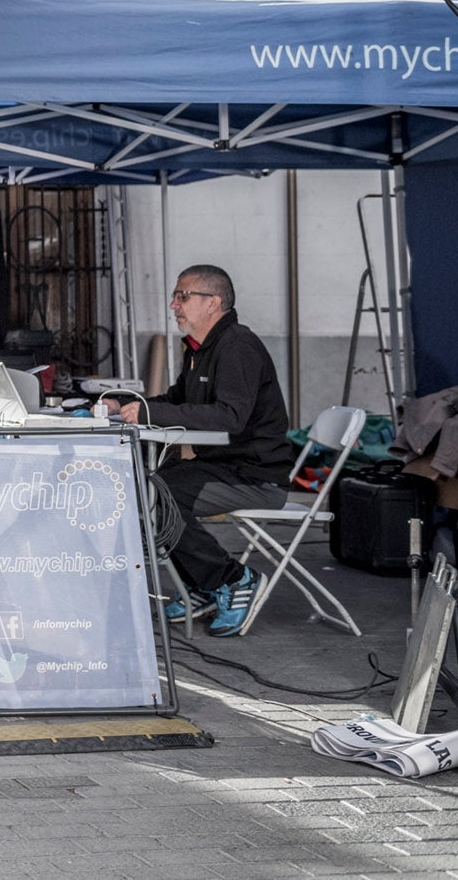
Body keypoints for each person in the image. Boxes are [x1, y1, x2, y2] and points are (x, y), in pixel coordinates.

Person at [114, 264, 295, 638]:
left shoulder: (237, 347)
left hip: (255, 475)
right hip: (222, 467)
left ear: (213, 302)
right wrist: (129, 406)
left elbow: (230, 417)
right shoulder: (200, 349)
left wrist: (150, 412)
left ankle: (234, 578)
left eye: (183, 296)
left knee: (158, 495)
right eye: (176, 297)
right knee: (144, 490)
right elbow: (178, 400)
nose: (173, 305)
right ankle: (202, 585)